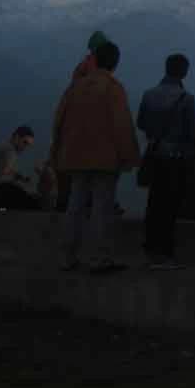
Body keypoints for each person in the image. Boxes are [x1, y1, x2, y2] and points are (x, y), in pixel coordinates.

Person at [50, 41, 141, 274]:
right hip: (104, 159)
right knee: (102, 207)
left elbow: (59, 120)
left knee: (75, 205)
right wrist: (129, 156)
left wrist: (58, 151)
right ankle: (99, 258)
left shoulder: (75, 87)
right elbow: (122, 126)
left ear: (95, 59)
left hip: (73, 156)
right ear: (116, 63)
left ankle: (66, 256)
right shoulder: (113, 88)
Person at [137, 53, 195, 270]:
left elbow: (142, 123)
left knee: (154, 202)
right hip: (176, 159)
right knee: (170, 206)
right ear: (184, 71)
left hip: (154, 155)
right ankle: (165, 255)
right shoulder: (187, 99)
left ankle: (150, 251)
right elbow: (194, 132)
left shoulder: (149, 95)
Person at [53, 30, 112, 212]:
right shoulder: (97, 75)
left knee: (70, 193)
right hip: (87, 146)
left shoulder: (78, 74)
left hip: (69, 143)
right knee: (85, 194)